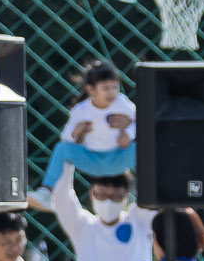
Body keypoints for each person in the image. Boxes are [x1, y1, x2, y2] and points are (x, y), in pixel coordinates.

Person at [41, 59, 136, 187]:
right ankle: (47, 191)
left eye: (115, 87)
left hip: (119, 157)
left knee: (149, 147)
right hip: (92, 160)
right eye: (105, 88)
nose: (111, 92)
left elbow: (141, 123)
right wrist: (76, 132)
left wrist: (128, 134)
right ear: (91, 89)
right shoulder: (81, 110)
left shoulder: (123, 103)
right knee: (61, 148)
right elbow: (65, 137)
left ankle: (155, 190)